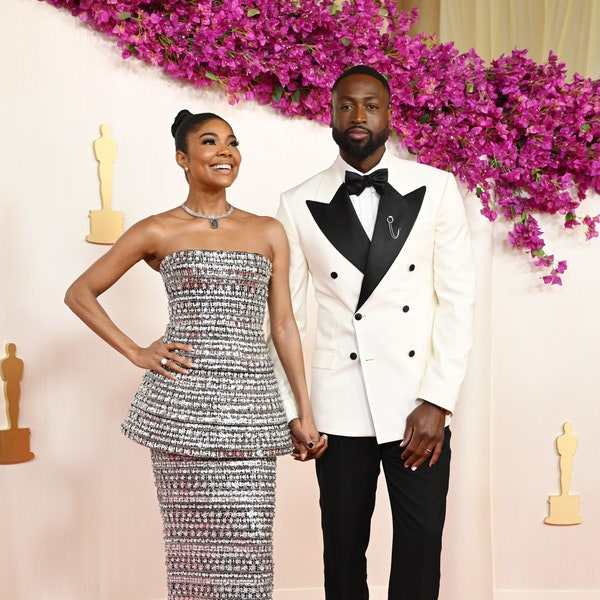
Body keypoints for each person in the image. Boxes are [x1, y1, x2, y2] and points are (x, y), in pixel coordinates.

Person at [65, 109, 326, 600]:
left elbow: (285, 326)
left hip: (251, 410)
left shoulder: (268, 231)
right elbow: (80, 293)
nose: (225, 151)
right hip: (182, 412)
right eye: (210, 142)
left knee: (250, 554)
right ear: (183, 158)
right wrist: (137, 352)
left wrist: (303, 412)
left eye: (232, 141)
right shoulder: (157, 230)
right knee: (191, 559)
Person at [269, 66, 475, 599]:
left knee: (421, 541)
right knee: (341, 547)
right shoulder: (297, 202)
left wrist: (438, 400)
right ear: (330, 114)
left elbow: (457, 302)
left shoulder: (436, 187)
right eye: (345, 106)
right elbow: (285, 318)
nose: (358, 116)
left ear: (389, 114)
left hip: (417, 406)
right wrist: (297, 410)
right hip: (337, 407)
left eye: (371, 105)